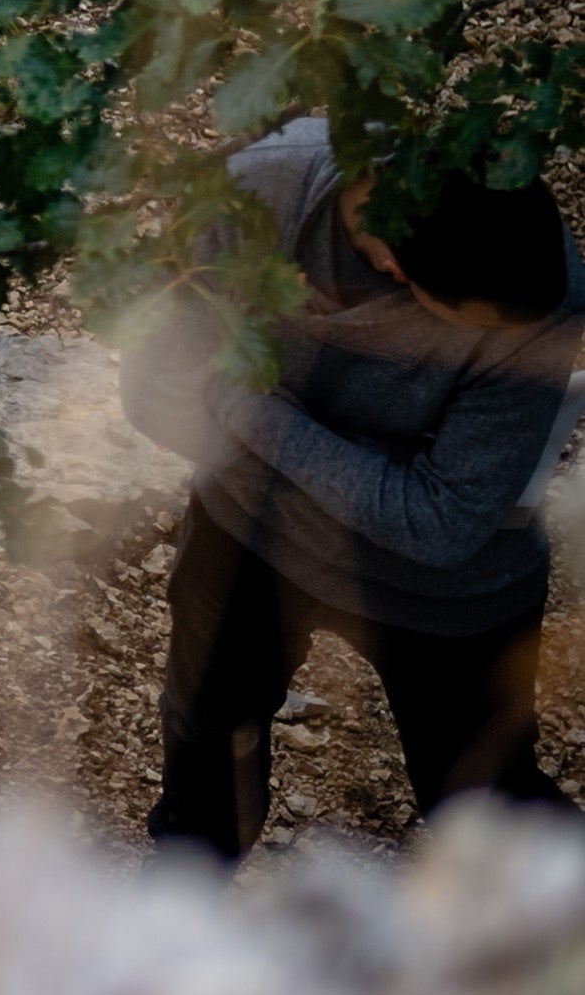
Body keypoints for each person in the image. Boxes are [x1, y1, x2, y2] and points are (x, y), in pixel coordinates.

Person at [132, 115, 584, 855]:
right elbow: (153, 391)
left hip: (450, 596)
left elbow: (440, 526)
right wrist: (385, 476)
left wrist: (247, 404)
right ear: (399, 264)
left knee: (491, 810)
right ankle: (176, 937)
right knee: (204, 759)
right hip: (249, 535)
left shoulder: (539, 290)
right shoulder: (255, 192)